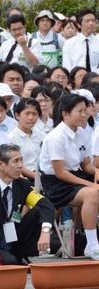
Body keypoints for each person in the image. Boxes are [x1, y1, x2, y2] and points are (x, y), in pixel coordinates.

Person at [0, 144, 54, 265]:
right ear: (1, 165)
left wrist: (45, 232)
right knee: (10, 262)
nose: (21, 166)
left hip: (13, 234)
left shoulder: (22, 185)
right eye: (16, 161)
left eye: (21, 160)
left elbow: (46, 204)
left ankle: (28, 255)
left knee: (38, 211)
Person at [38, 93, 99, 258]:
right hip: (56, 184)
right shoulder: (56, 137)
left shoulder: (82, 133)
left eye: (85, 110)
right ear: (65, 113)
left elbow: (86, 165)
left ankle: (89, 237)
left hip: (75, 177)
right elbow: (60, 172)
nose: (84, 115)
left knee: (93, 190)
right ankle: (92, 246)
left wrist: (96, 171)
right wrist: (90, 185)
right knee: (92, 193)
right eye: (79, 111)